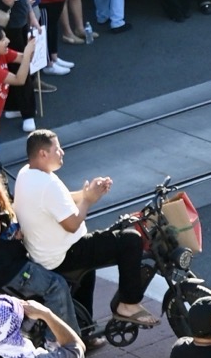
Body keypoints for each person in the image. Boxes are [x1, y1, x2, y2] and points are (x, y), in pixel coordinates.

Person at [9, 128, 160, 331]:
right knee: (130, 239)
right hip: (64, 254)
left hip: (46, 253)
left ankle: (84, 329)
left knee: (88, 272)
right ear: (43, 153)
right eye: (57, 148)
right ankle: (128, 304)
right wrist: (89, 200)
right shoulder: (46, 183)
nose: (62, 152)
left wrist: (85, 193)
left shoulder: (27, 173)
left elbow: (60, 201)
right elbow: (72, 225)